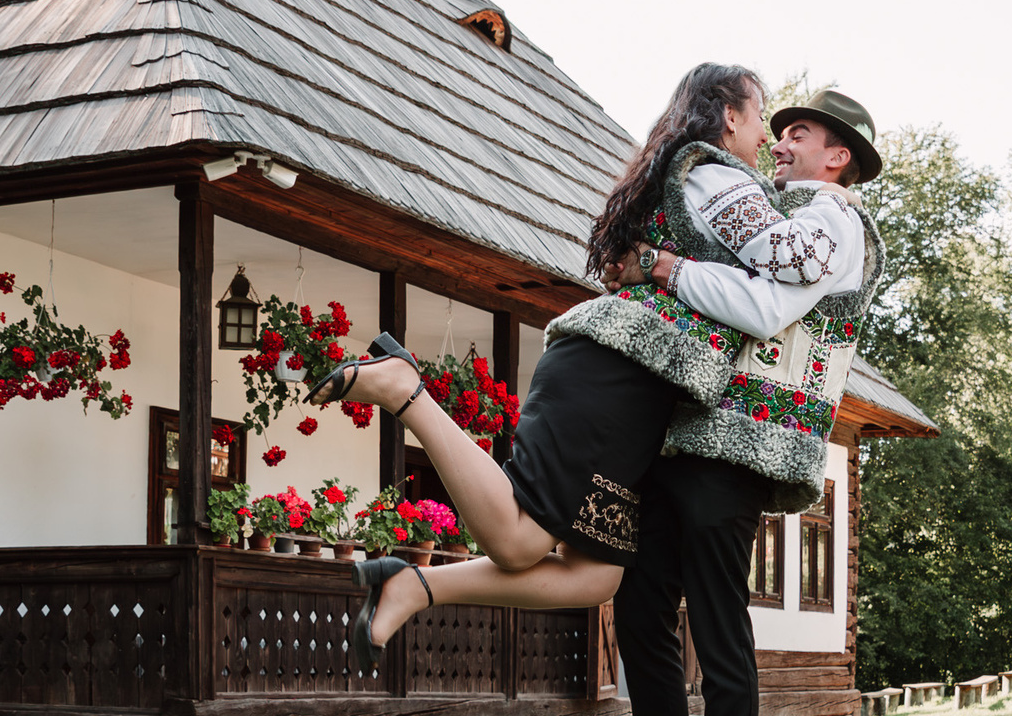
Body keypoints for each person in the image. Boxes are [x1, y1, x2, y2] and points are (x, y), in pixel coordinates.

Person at [315, 65, 871, 675]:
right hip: (616, 369)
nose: (768, 138)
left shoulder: (712, 177)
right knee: (518, 540)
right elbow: (787, 257)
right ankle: (406, 390)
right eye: (763, 118)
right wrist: (836, 203)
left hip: (639, 390)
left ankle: (414, 585)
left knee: (594, 576)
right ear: (729, 116)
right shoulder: (716, 174)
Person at [603, 90, 886, 716]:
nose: (783, 141)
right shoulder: (778, 213)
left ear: (839, 158)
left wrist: (664, 268)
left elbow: (761, 310)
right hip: (699, 432)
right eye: (781, 127)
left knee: (720, 624)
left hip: (747, 440)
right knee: (641, 601)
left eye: (801, 132)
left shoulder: (830, 219)